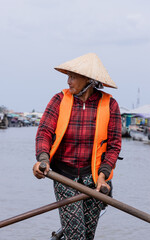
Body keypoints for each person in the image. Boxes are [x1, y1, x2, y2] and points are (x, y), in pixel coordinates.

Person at [33, 53, 122, 240]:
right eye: (68, 76)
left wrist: (103, 176)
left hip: (95, 181)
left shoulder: (110, 105)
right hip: (64, 177)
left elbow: (114, 146)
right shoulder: (59, 100)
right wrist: (42, 160)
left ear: (89, 80)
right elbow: (44, 133)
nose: (68, 81)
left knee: (87, 236)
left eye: (73, 77)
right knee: (75, 236)